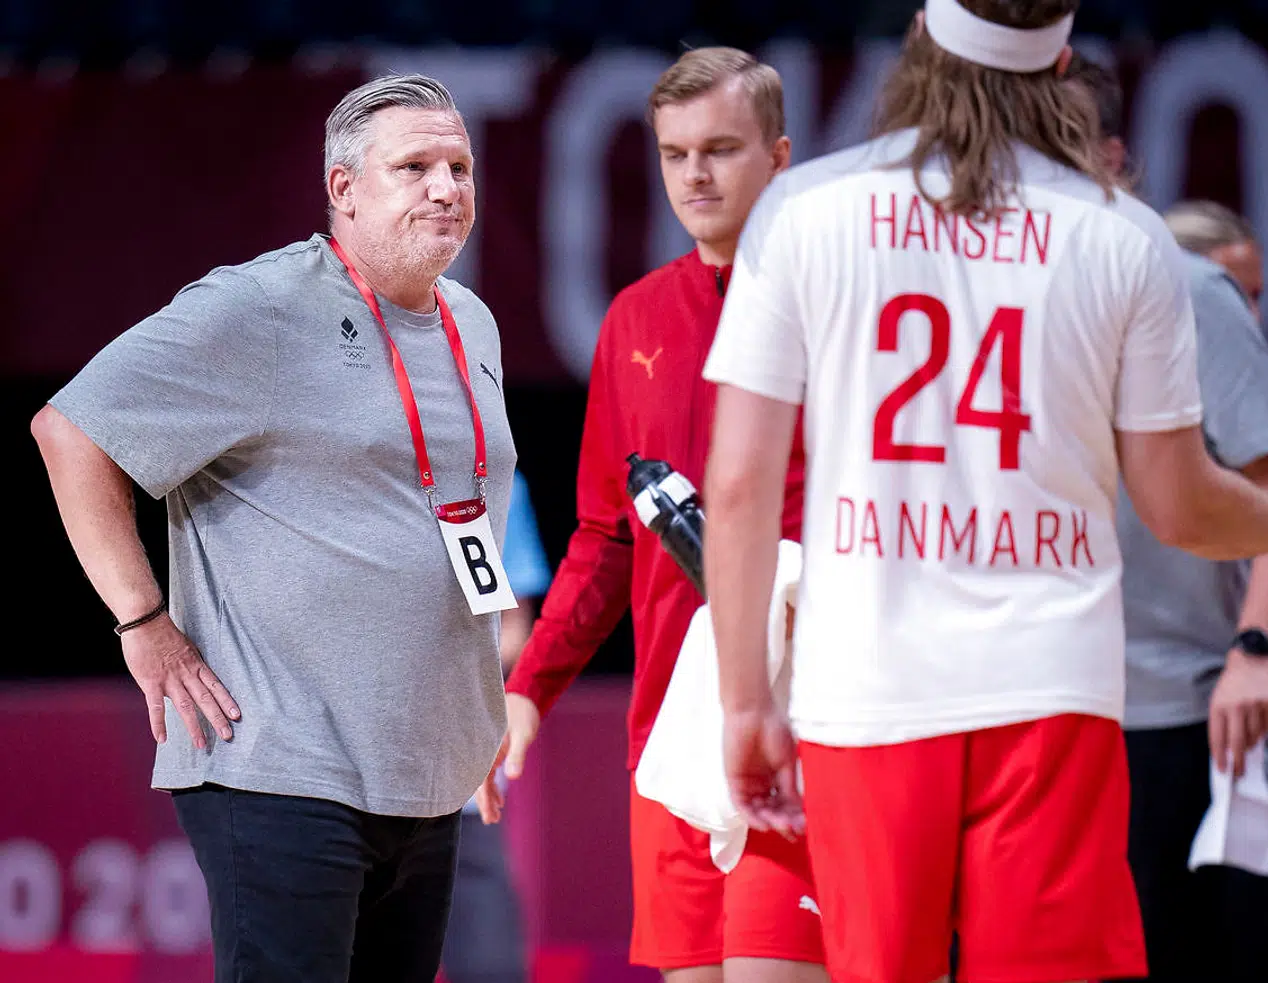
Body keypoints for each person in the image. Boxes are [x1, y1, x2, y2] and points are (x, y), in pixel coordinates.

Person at [697, 3, 1268, 983]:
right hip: (1055, 694)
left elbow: (740, 483)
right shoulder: (1125, 237)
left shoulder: (804, 210)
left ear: (920, 32)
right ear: (1061, 58)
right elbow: (1182, 508)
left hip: (868, 690)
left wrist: (745, 699)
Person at [31, 74, 516, 983]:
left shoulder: (472, 323)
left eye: (459, 166)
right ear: (344, 188)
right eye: (413, 167)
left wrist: (468, 712)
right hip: (281, 764)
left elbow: (462, 518)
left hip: (426, 768)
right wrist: (143, 623)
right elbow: (71, 430)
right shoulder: (260, 308)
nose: (446, 188)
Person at [491, 47, 827, 983]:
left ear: (781, 155)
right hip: (672, 738)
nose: (696, 174)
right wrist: (530, 689)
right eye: (676, 153)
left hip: (806, 721)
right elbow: (605, 535)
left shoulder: (835, 309)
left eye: (721, 148)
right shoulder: (634, 319)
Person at [1111, 198, 1268, 983]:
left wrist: (1260, 646)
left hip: (1224, 727)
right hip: (1095, 711)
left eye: (1256, 297)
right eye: (1241, 294)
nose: (1251, 318)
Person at [444, 470, 553, 983]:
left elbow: (513, 625)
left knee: (490, 967)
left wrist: (452, 673)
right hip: (347, 784)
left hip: (461, 780)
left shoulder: (491, 481)